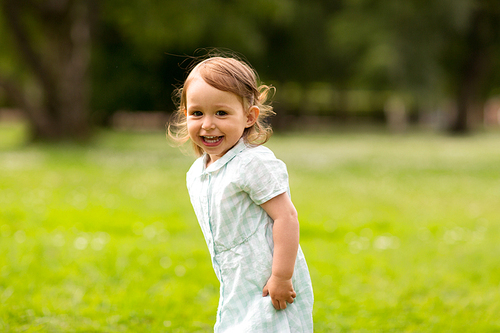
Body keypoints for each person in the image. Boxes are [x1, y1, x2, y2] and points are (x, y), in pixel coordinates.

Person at [168, 53, 313, 332]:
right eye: (197, 113)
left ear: (249, 117)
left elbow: (286, 217)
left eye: (221, 113)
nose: (208, 124)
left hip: (269, 281)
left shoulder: (252, 163)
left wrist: (282, 276)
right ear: (185, 115)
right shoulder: (199, 171)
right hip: (237, 280)